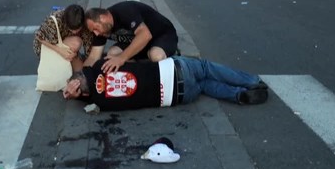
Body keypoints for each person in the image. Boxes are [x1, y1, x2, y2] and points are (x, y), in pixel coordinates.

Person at [62, 56, 269, 110]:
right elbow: (82, 68)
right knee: (205, 68)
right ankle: (252, 81)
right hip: (173, 71)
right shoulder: (101, 66)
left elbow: (88, 90)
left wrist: (76, 93)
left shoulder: (101, 103)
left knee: (204, 86)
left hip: (178, 97)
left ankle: (237, 95)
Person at [84, 0, 179, 74]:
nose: (96, 34)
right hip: (139, 43)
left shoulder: (124, 10)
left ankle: (173, 66)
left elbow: (145, 35)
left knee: (156, 55)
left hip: (162, 35)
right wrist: (80, 76)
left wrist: (121, 58)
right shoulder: (100, 30)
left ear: (103, 18)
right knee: (112, 54)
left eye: (96, 29)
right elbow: (93, 57)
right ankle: (137, 76)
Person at [33, 4, 101, 72]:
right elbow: (39, 36)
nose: (75, 32)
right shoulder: (53, 21)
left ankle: (70, 60)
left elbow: (89, 49)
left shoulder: (86, 23)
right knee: (76, 43)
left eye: (78, 30)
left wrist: (91, 67)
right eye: (71, 29)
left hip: (66, 44)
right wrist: (60, 50)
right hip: (49, 44)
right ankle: (58, 65)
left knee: (81, 72)